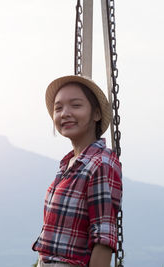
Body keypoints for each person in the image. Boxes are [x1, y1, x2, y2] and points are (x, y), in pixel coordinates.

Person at [32, 75, 123, 267]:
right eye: (58, 108)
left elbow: (103, 238)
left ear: (96, 114)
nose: (65, 113)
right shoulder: (68, 164)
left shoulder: (101, 163)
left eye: (75, 105)